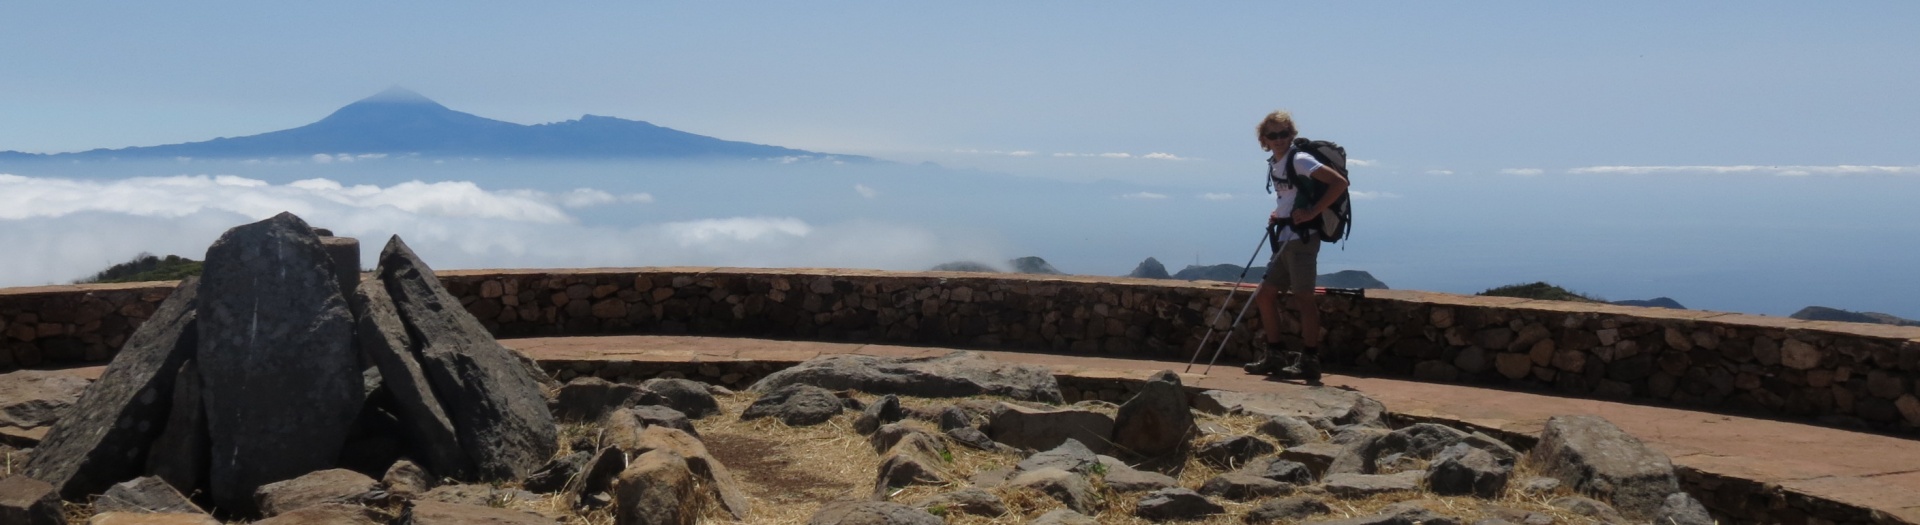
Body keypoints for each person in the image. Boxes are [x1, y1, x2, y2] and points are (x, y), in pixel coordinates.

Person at [1243, 110, 1348, 382]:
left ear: (1292, 134)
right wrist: (1280, 213)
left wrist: (1313, 212)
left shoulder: (1300, 159)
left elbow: (1339, 183)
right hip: (1286, 236)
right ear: (1264, 139)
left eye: (1284, 133)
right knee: (1265, 294)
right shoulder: (1275, 163)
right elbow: (1290, 196)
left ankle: (1310, 360)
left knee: (1304, 298)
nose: (1279, 139)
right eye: (1272, 135)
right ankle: (1275, 354)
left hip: (1303, 239)